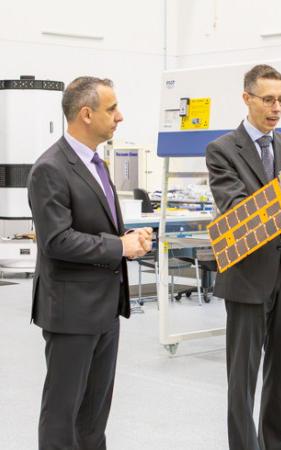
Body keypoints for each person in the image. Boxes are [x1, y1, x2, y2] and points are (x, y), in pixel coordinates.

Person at [27, 76, 152, 450]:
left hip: (104, 307)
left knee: (95, 414)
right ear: (86, 113)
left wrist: (131, 237)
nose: (120, 117)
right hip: (71, 310)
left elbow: (95, 223)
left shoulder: (97, 164)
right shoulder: (50, 168)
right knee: (63, 412)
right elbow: (57, 240)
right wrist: (119, 247)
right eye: (112, 109)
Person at [205, 64, 281, 450]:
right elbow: (238, 210)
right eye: (268, 99)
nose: (276, 107)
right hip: (247, 277)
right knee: (243, 378)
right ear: (247, 98)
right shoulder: (221, 150)